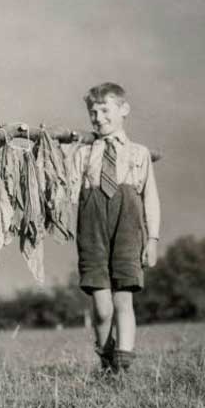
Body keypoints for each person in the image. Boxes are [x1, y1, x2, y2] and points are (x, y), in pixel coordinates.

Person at [70, 82, 160, 373]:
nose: (98, 117)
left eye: (105, 110)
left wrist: (153, 239)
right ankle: (106, 358)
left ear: (123, 110)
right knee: (103, 308)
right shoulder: (83, 154)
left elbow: (150, 199)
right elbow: (67, 191)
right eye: (93, 112)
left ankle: (123, 365)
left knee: (123, 300)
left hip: (128, 231)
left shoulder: (139, 154)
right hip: (92, 232)